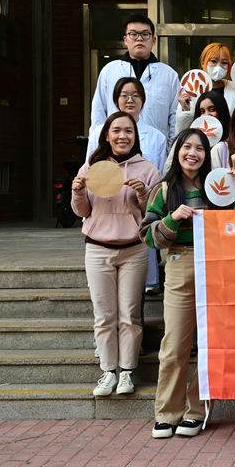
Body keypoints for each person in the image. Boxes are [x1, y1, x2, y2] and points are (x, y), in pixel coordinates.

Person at [140, 128, 235, 439]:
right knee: (174, 344)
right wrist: (173, 219)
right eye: (187, 147)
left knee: (212, 343)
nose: (193, 153)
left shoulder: (219, 185)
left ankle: (197, 411)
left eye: (200, 148)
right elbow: (148, 236)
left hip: (217, 263)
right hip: (180, 261)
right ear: (177, 151)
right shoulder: (163, 189)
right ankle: (167, 413)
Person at [72, 112, 162, 397]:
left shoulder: (148, 169)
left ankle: (127, 372)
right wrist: (78, 192)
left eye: (128, 131)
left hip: (134, 249)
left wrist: (144, 194)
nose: (122, 136)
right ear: (107, 136)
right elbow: (83, 211)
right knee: (104, 314)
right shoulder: (92, 166)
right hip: (97, 247)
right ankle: (108, 371)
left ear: (135, 136)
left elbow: (155, 213)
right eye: (116, 130)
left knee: (130, 314)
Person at [87, 78, 168, 295]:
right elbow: (89, 175)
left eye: (136, 95)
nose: (129, 100)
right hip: (104, 220)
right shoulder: (98, 134)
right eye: (124, 95)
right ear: (116, 100)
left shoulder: (157, 137)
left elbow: (159, 179)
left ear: (143, 100)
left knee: (135, 296)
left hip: (138, 223)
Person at [90, 14, 180, 146]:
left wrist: (172, 150)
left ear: (154, 40)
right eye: (133, 34)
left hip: (154, 147)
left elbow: (175, 117)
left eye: (145, 34)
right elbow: (98, 112)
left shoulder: (168, 74)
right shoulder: (110, 71)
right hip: (116, 147)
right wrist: (99, 147)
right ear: (126, 40)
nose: (139, 38)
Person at [163, 91, 231, 175]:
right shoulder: (188, 137)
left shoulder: (231, 141)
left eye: (212, 109)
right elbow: (169, 169)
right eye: (202, 111)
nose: (206, 115)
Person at [176, 43, 235, 133]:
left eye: (224, 63)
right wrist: (185, 110)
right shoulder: (192, 90)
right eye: (213, 61)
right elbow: (182, 131)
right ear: (203, 63)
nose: (218, 66)